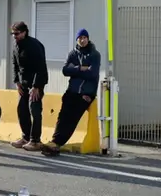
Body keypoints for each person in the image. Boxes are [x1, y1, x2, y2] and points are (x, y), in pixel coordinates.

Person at [43, 29, 101, 156]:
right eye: (80, 38)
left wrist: (74, 71)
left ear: (88, 39)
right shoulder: (73, 54)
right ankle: (54, 141)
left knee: (72, 118)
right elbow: (65, 70)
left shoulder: (95, 55)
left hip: (86, 93)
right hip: (72, 91)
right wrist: (81, 68)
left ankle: (57, 143)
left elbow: (92, 73)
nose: (82, 40)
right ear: (77, 40)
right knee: (63, 116)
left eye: (84, 37)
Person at [10, 21, 49, 151]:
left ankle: (35, 140)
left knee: (35, 110)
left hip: (36, 83)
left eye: (17, 33)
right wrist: (17, 81)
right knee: (22, 109)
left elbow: (41, 67)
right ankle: (26, 137)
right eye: (13, 34)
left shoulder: (34, 45)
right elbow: (15, 64)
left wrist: (36, 86)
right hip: (24, 83)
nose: (14, 36)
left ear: (24, 32)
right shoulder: (16, 45)